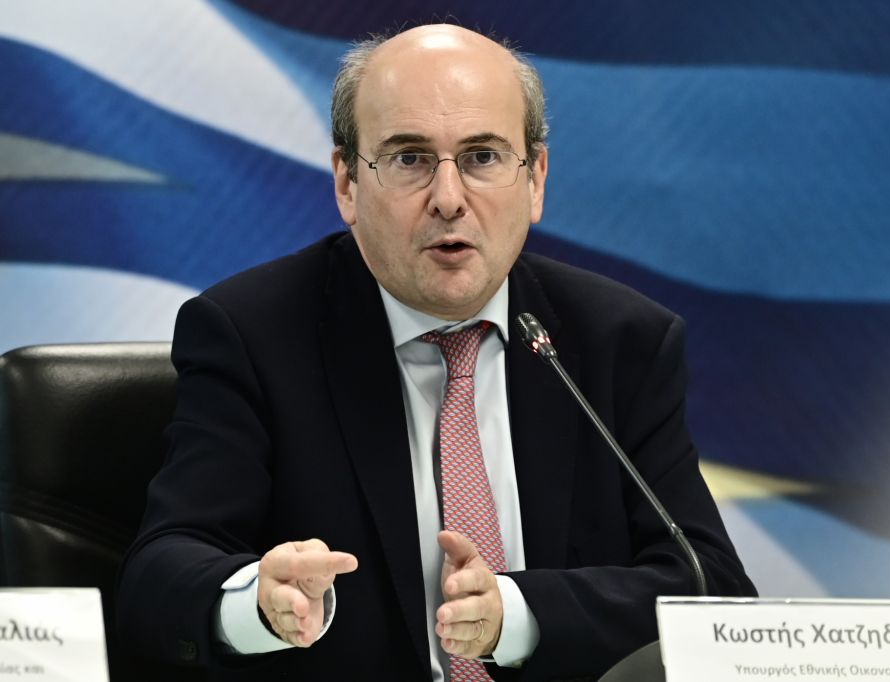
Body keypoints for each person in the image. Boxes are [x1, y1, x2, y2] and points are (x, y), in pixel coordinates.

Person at [117, 24, 756, 681]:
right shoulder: (253, 334)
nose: (449, 199)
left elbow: (712, 592)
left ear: (535, 179)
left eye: (482, 156)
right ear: (347, 182)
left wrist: (518, 615)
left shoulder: (618, 341)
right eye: (409, 159)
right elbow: (158, 574)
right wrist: (256, 602)